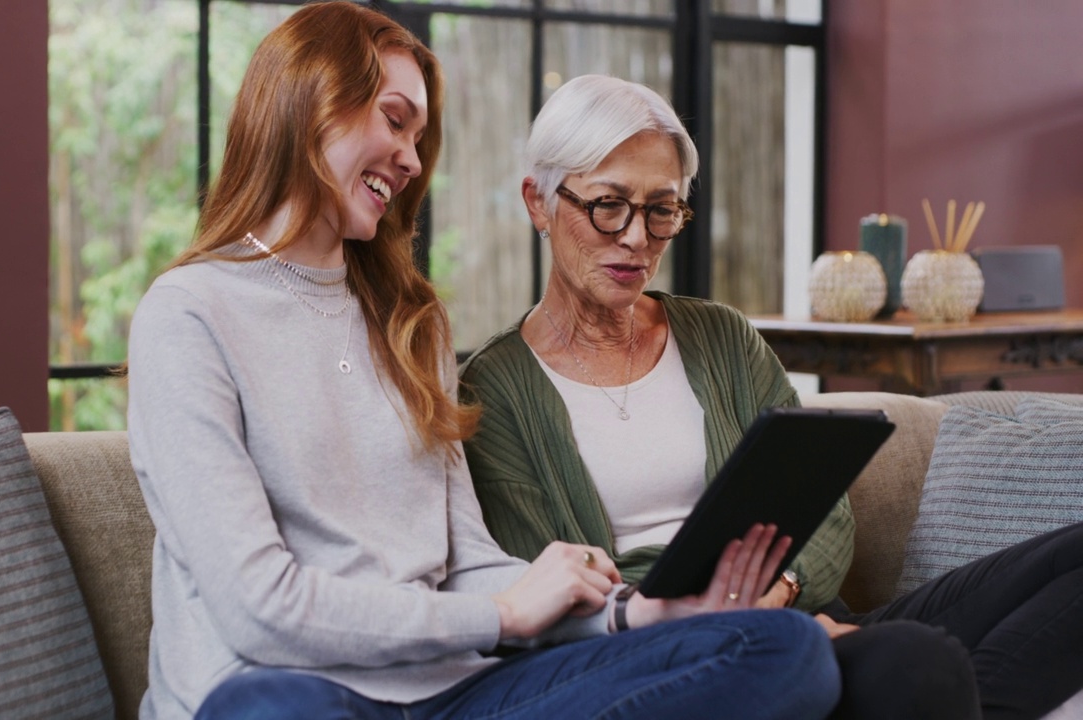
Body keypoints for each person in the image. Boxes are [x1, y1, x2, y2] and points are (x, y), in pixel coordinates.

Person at [125, 4, 844, 720]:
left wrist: (636, 612)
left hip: (457, 694)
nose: (411, 158)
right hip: (283, 692)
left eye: (419, 135)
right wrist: (503, 616)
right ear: (309, 102)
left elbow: (468, 564)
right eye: (396, 119)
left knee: (781, 647)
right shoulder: (189, 315)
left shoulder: (412, 324)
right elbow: (261, 610)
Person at [460, 73, 1083, 720]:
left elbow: (827, 509)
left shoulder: (721, 337)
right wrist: (744, 624)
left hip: (798, 612)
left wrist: (783, 593)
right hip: (683, 657)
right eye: (608, 204)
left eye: (661, 209)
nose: (638, 238)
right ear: (538, 202)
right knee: (916, 662)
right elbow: (555, 598)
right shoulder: (493, 393)